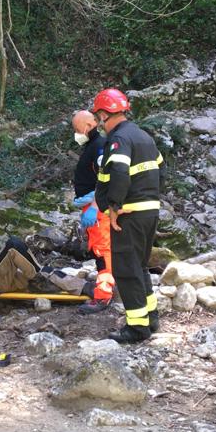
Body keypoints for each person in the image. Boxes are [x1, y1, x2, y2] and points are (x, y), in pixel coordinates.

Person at [92, 88, 163, 343]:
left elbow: (120, 173)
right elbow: (159, 170)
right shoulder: (144, 136)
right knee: (140, 266)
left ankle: (137, 327)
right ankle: (150, 317)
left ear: (103, 114)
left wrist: (114, 206)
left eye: (98, 116)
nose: (98, 122)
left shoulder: (119, 139)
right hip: (149, 210)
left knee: (126, 270)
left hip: (129, 213)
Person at [70, 109, 116, 314]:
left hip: (98, 207)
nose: (75, 133)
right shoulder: (93, 145)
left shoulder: (99, 146)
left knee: (102, 251)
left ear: (88, 126)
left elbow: (105, 179)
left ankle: (103, 295)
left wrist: (95, 206)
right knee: (99, 249)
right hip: (92, 206)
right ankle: (108, 288)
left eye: (77, 129)